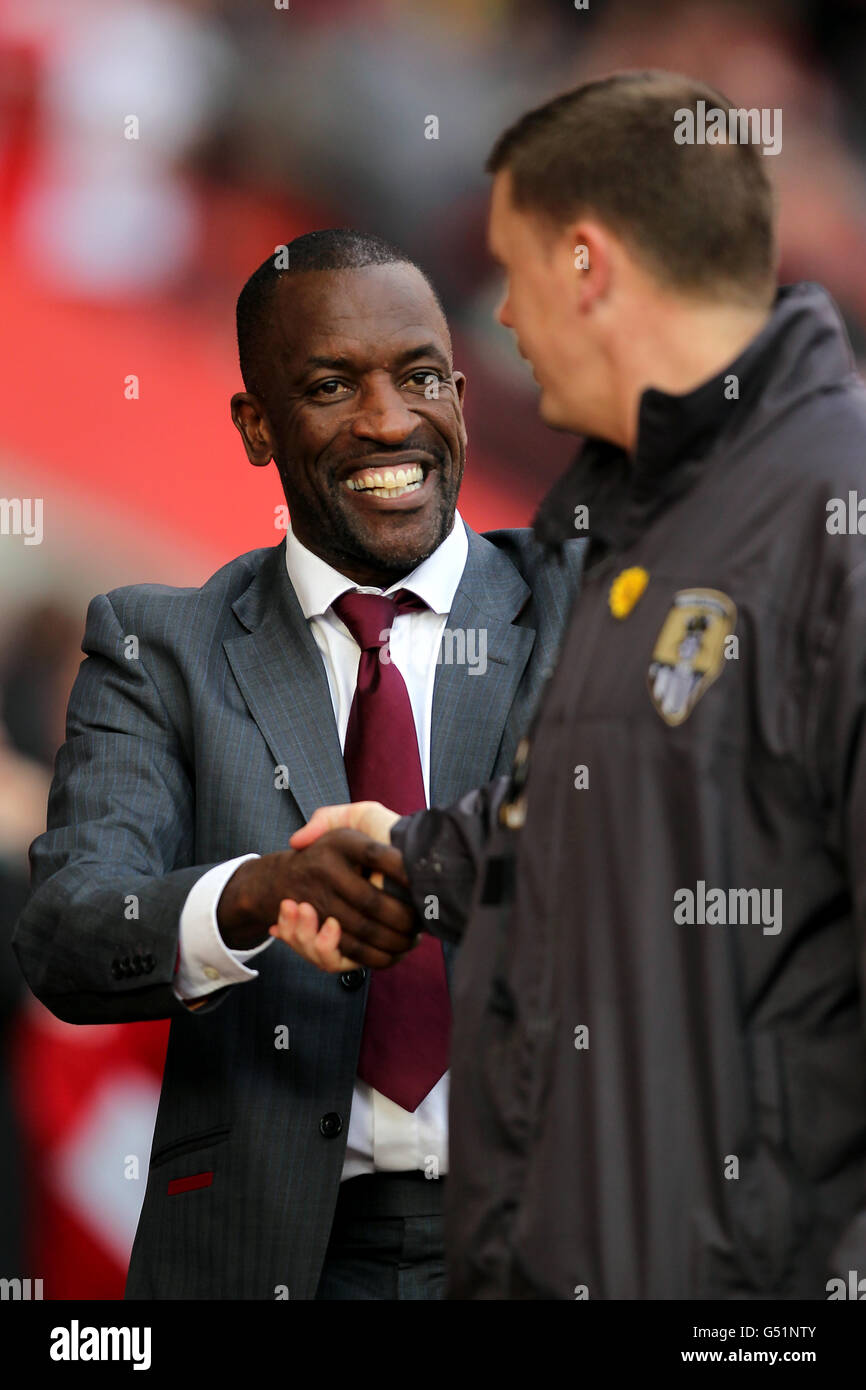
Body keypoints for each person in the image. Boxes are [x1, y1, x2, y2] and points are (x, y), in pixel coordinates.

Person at [281, 74, 866, 1300]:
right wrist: (419, 854)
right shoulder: (636, 525)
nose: (498, 315)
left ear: (587, 263)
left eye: (511, 267)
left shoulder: (832, 520)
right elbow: (631, 835)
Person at [12, 228, 583, 1300]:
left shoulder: (583, 604)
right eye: (331, 385)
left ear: (460, 393)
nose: (386, 420)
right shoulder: (159, 647)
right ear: (255, 426)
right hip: (272, 1257)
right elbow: (67, 933)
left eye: (418, 377)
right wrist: (255, 894)